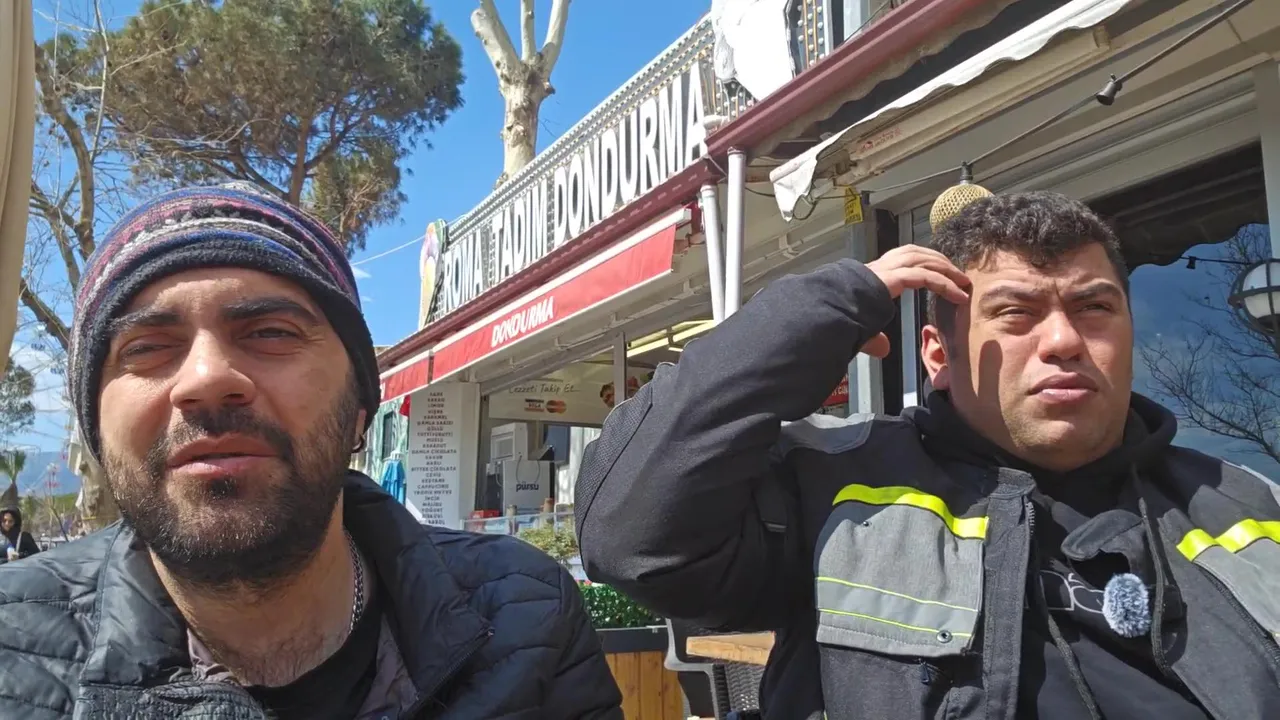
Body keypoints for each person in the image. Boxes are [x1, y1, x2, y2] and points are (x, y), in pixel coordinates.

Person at [575, 191, 1280, 720]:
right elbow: (632, 536)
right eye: (1016, 313)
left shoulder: (1245, 500)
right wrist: (822, 314)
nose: (1065, 340)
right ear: (938, 357)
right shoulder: (836, 486)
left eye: (1094, 308)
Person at [0, 184, 623, 719]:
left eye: (271, 332)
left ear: (360, 410)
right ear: (96, 428)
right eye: (146, 348)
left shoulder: (527, 616)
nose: (207, 378)